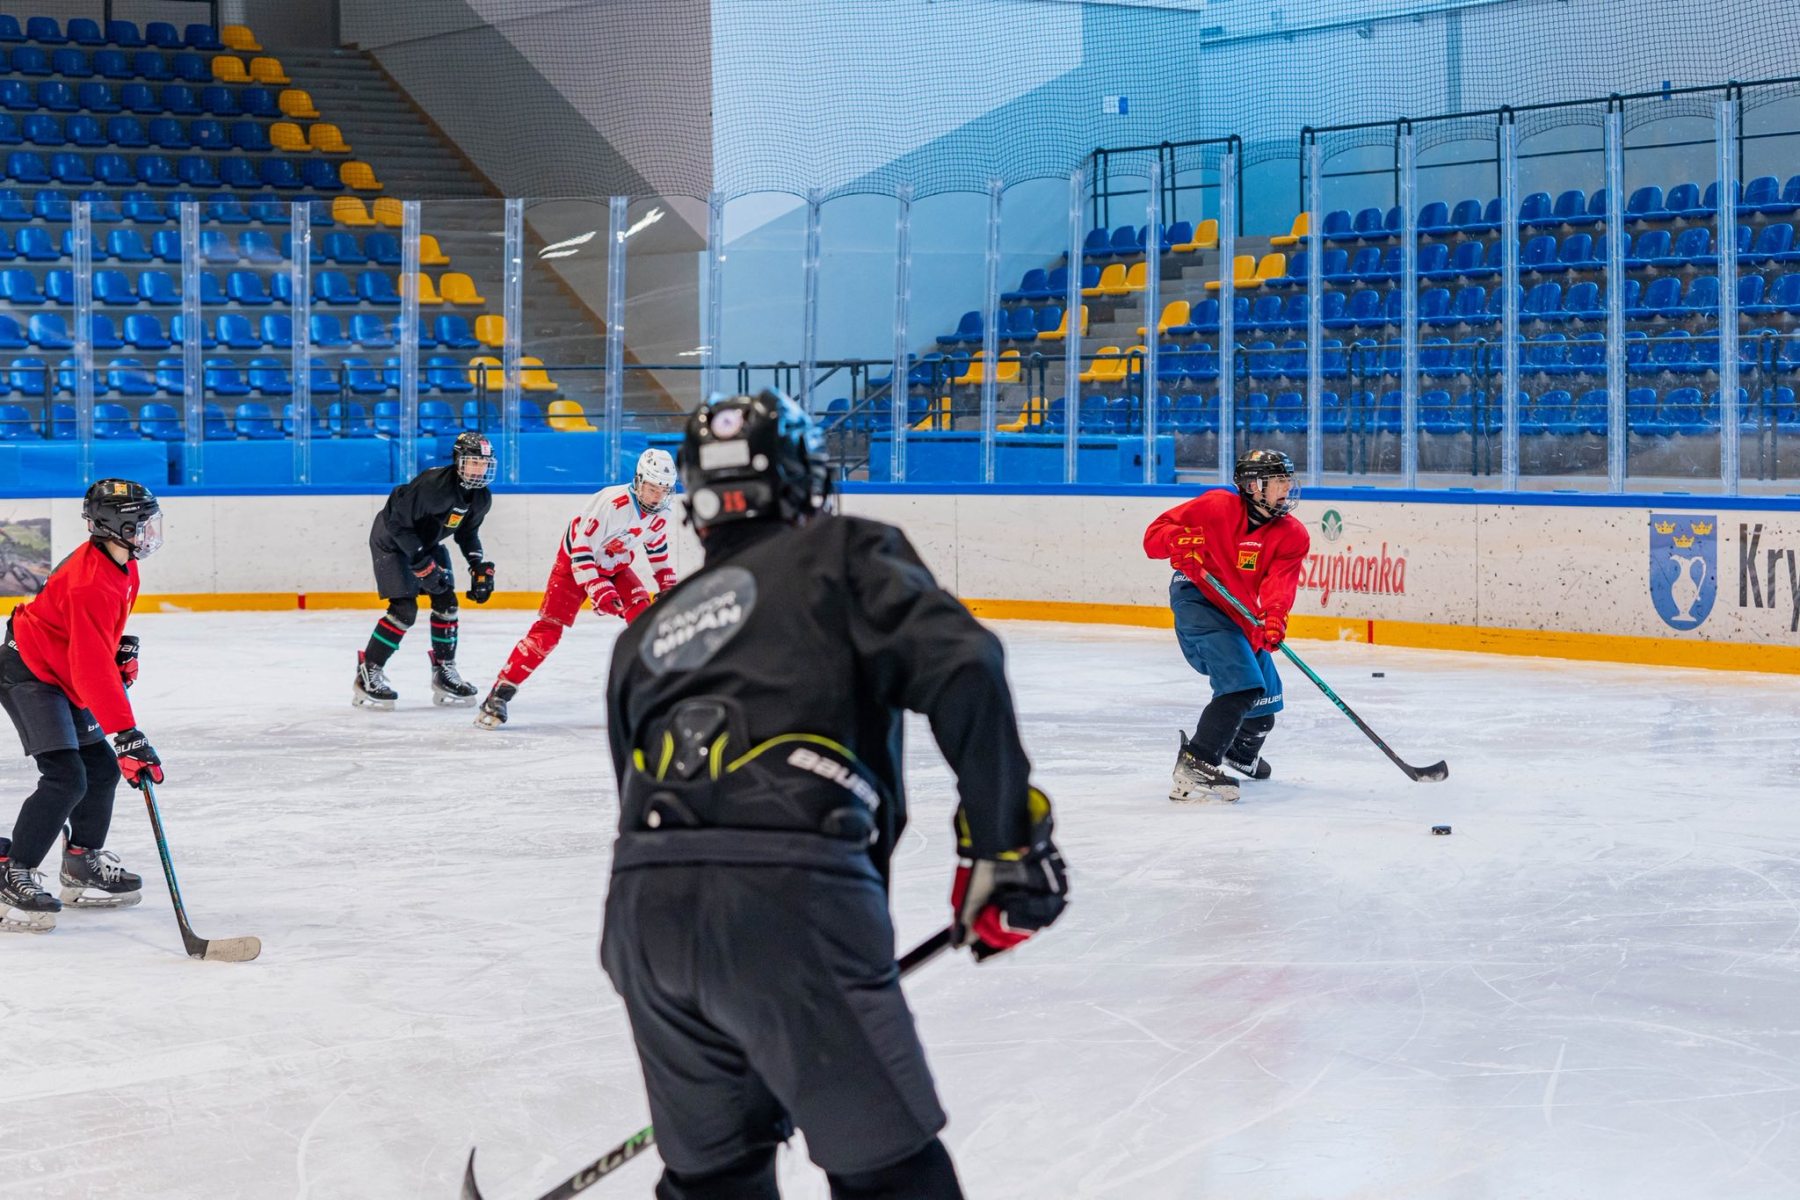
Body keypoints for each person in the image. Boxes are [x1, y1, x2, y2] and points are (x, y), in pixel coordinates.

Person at [600, 391, 1068, 1199]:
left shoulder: (643, 635)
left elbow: (642, 804)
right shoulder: (843, 552)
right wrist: (1003, 847)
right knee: (890, 1177)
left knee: (714, 1180)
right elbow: (964, 664)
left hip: (645, 923)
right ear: (801, 480)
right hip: (793, 904)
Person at [0, 479, 163, 934]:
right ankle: (12, 872)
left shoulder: (123, 564)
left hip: (61, 670)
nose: (150, 532)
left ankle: (80, 861)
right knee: (66, 777)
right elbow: (89, 667)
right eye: (142, 523)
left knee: (102, 771)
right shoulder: (89, 581)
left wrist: (117, 648)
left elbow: (89, 639)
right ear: (117, 526)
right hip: (31, 674)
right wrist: (127, 735)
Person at [1142, 449, 1309, 804]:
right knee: (1242, 685)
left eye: (1287, 479)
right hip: (1198, 596)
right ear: (1253, 486)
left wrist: (1274, 617)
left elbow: (1279, 584)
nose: (1287, 487)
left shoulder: (1292, 534)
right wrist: (1177, 541)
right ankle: (1197, 761)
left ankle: (1240, 753)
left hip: (1240, 611)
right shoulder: (1215, 506)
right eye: (1278, 481)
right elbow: (1153, 538)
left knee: (1263, 708)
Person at [475, 448, 678, 729]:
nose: (657, 496)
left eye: (663, 490)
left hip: (615, 565)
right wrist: (597, 587)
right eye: (652, 488)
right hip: (573, 564)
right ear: (639, 480)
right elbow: (582, 549)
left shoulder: (661, 513)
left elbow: (657, 551)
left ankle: (655, 693)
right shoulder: (612, 503)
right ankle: (500, 693)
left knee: (645, 620)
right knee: (548, 632)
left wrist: (668, 586)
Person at [354, 432, 497, 710]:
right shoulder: (432, 485)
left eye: (484, 463)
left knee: (447, 603)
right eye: (474, 462)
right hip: (391, 539)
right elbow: (398, 523)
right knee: (404, 610)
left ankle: (444, 671)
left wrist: (477, 564)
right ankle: (368, 672)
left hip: (425, 542)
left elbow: (467, 534)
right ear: (458, 461)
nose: (479, 469)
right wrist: (420, 561)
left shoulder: (481, 498)